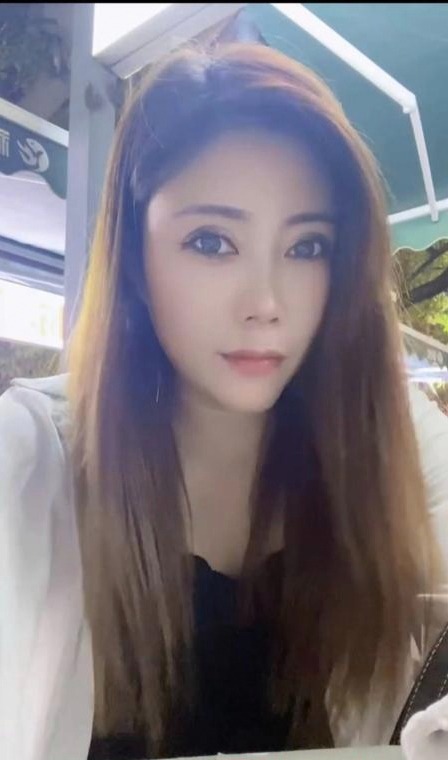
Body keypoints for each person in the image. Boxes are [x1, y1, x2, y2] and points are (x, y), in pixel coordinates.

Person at [1, 43, 447, 760]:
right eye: (211, 242)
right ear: (135, 257)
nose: (266, 303)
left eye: (307, 247)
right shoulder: (31, 464)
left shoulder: (392, 441)